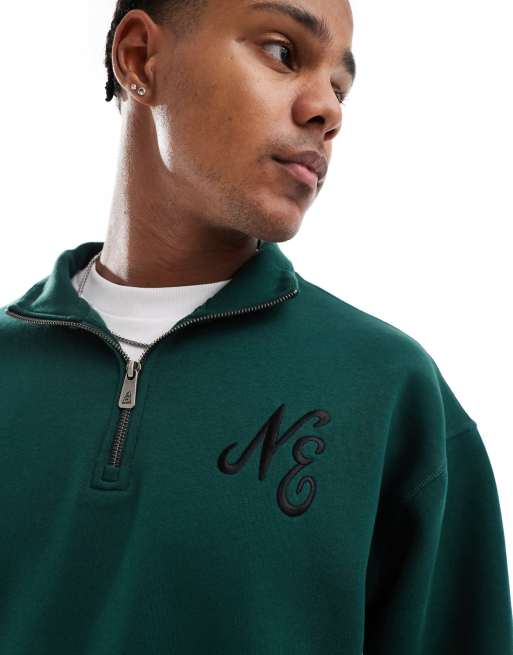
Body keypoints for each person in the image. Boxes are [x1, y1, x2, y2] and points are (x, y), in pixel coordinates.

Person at [1, 0, 512, 653]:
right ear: (139, 58)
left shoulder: (389, 394)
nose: (327, 111)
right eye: (282, 52)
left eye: (339, 88)